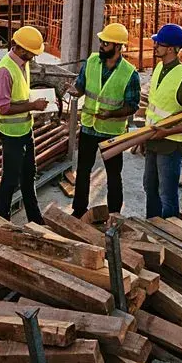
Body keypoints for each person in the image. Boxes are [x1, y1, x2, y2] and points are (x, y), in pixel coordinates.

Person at [70, 22, 140, 218]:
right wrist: (75, 91)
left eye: (106, 43)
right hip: (89, 127)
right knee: (83, 171)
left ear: (118, 47)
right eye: (101, 42)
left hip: (112, 132)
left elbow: (133, 105)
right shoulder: (91, 62)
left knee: (113, 175)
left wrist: (112, 114)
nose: (101, 46)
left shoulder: (129, 73)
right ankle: (79, 210)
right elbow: (81, 86)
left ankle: (115, 213)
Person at [142, 23, 182, 218]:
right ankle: (152, 225)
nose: (155, 46)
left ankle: (169, 233)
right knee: (149, 186)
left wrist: (167, 132)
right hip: (153, 138)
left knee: (167, 194)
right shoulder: (161, 67)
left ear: (171, 48)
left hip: (170, 144)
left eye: (158, 43)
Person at [0, 25, 53, 220]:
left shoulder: (21, 63)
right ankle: (2, 219)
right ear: (21, 48)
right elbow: (3, 107)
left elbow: (20, 94)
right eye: (32, 53)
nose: (33, 57)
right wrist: (33, 105)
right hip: (11, 133)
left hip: (24, 128)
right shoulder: (4, 72)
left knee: (28, 174)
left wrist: (36, 102)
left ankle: (35, 218)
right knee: (10, 179)